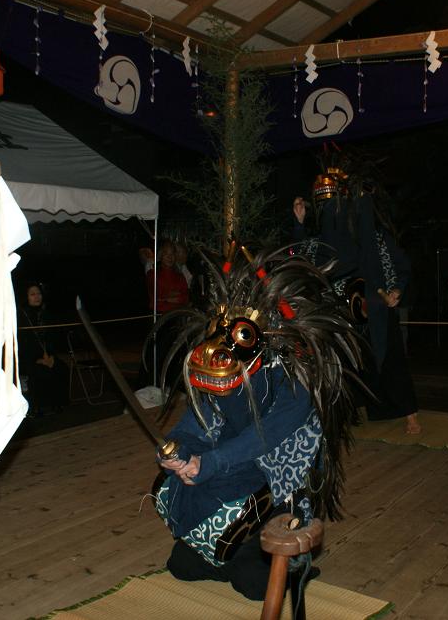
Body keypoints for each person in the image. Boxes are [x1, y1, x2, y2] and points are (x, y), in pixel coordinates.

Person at [150, 246, 362, 600]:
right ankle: (227, 552)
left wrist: (209, 463)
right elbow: (193, 424)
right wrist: (176, 452)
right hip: (231, 480)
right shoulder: (222, 373)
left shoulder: (296, 384)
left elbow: (263, 437)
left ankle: (280, 561)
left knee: (252, 583)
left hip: (273, 490)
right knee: (181, 565)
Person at [292, 170, 420, 435]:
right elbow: (301, 259)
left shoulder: (373, 237)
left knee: (391, 359)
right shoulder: (322, 244)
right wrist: (299, 223)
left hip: (375, 306)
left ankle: (410, 415)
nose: (331, 213)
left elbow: (401, 266)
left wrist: (396, 290)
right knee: (345, 364)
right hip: (340, 311)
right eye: (326, 207)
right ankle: (352, 410)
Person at [18, 283, 66, 416]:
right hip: (28, 358)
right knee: (37, 371)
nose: (37, 297)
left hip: (47, 355)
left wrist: (51, 356)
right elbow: (22, 342)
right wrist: (37, 359)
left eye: (38, 294)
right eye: (32, 294)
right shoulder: (21, 315)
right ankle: (35, 407)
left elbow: (53, 338)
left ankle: (56, 404)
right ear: (26, 297)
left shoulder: (46, 313)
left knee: (60, 367)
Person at [140, 240, 190, 314]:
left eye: (172, 254)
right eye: (166, 253)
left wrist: (167, 298)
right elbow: (157, 297)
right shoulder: (152, 274)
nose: (169, 257)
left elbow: (185, 298)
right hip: (159, 315)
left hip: (178, 315)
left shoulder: (180, 276)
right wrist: (175, 296)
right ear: (161, 255)